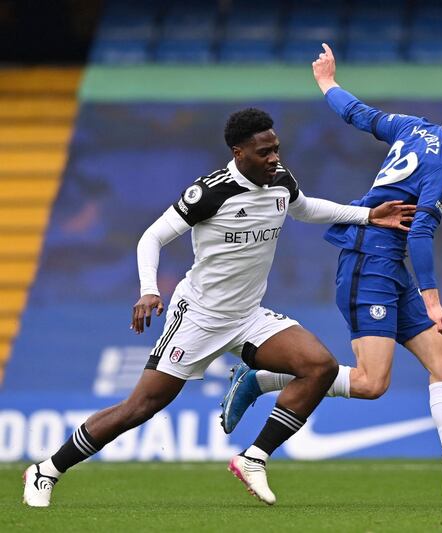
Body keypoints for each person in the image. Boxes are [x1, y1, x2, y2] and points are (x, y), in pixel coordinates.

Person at [22, 107, 415, 508]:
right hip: (199, 317)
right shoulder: (209, 192)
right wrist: (148, 289)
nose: (274, 158)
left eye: (276, 149)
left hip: (247, 316)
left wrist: (367, 215)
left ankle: (254, 458)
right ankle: (47, 469)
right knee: (141, 407)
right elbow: (152, 238)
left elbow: (305, 208)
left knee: (319, 366)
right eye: (264, 152)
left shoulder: (280, 180)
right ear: (238, 152)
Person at [220, 44, 442, 505]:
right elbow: (421, 232)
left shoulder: (414, 128)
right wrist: (434, 302)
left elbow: (360, 114)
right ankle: (261, 383)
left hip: (387, 267)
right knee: (370, 383)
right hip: (370, 264)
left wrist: (327, 83)